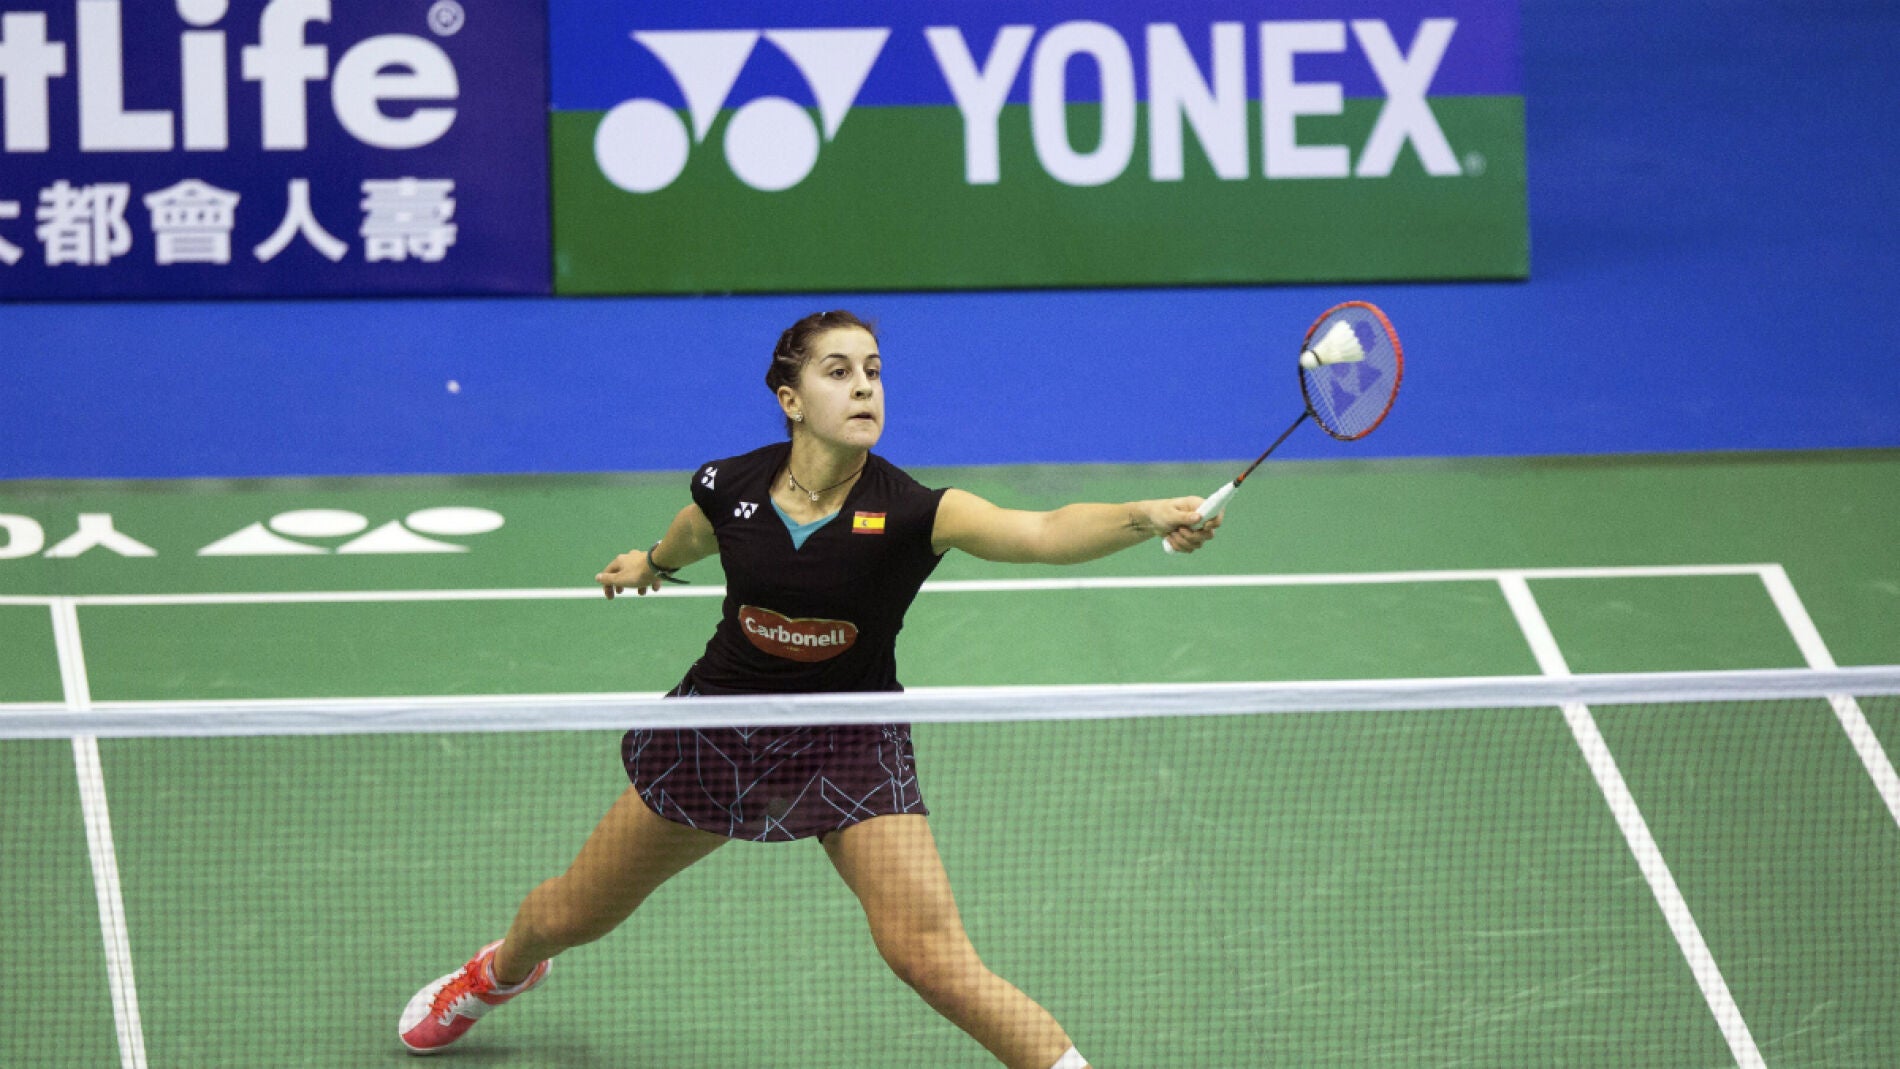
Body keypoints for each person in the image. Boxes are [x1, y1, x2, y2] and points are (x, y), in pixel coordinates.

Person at [398, 310, 1221, 1069]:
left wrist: (1148, 514)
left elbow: (1040, 532)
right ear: (791, 398)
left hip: (847, 736)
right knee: (567, 913)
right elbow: (696, 529)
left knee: (931, 958)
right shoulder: (732, 484)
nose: (864, 386)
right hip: (719, 728)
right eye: (838, 371)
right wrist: (653, 563)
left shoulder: (914, 511)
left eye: (873, 369)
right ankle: (494, 974)